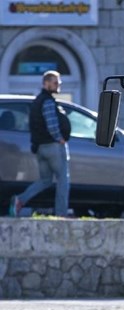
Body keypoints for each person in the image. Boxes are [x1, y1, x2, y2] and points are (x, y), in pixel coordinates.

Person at [9, 70, 71, 217]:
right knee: (63, 180)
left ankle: (20, 200)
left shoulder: (37, 102)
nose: (58, 85)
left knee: (45, 180)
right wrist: (60, 138)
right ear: (46, 83)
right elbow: (52, 124)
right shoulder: (47, 101)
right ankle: (62, 214)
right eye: (55, 82)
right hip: (53, 147)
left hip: (40, 148)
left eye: (59, 82)